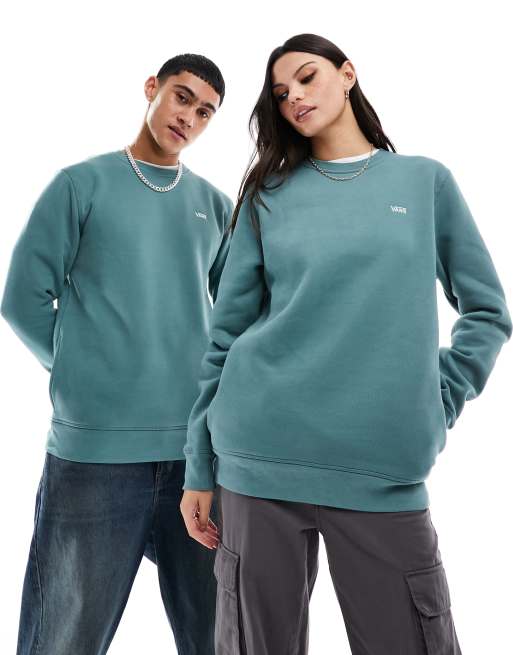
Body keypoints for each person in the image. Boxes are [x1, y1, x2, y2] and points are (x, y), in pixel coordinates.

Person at [180, 33, 512, 654]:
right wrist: (198, 465)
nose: (295, 98)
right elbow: (224, 337)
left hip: (381, 466)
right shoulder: (268, 196)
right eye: (282, 93)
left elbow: (488, 311)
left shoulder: (423, 182)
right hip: (257, 456)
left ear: (348, 74)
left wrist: (433, 401)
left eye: (307, 78)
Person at [1, 53, 232, 655]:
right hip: (95, 458)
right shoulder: (81, 185)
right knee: (62, 640)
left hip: (197, 459)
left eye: (205, 112)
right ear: (152, 88)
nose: (189, 117)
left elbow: (240, 319)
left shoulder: (214, 204)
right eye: (182, 97)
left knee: (221, 639)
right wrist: (83, 368)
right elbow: (23, 297)